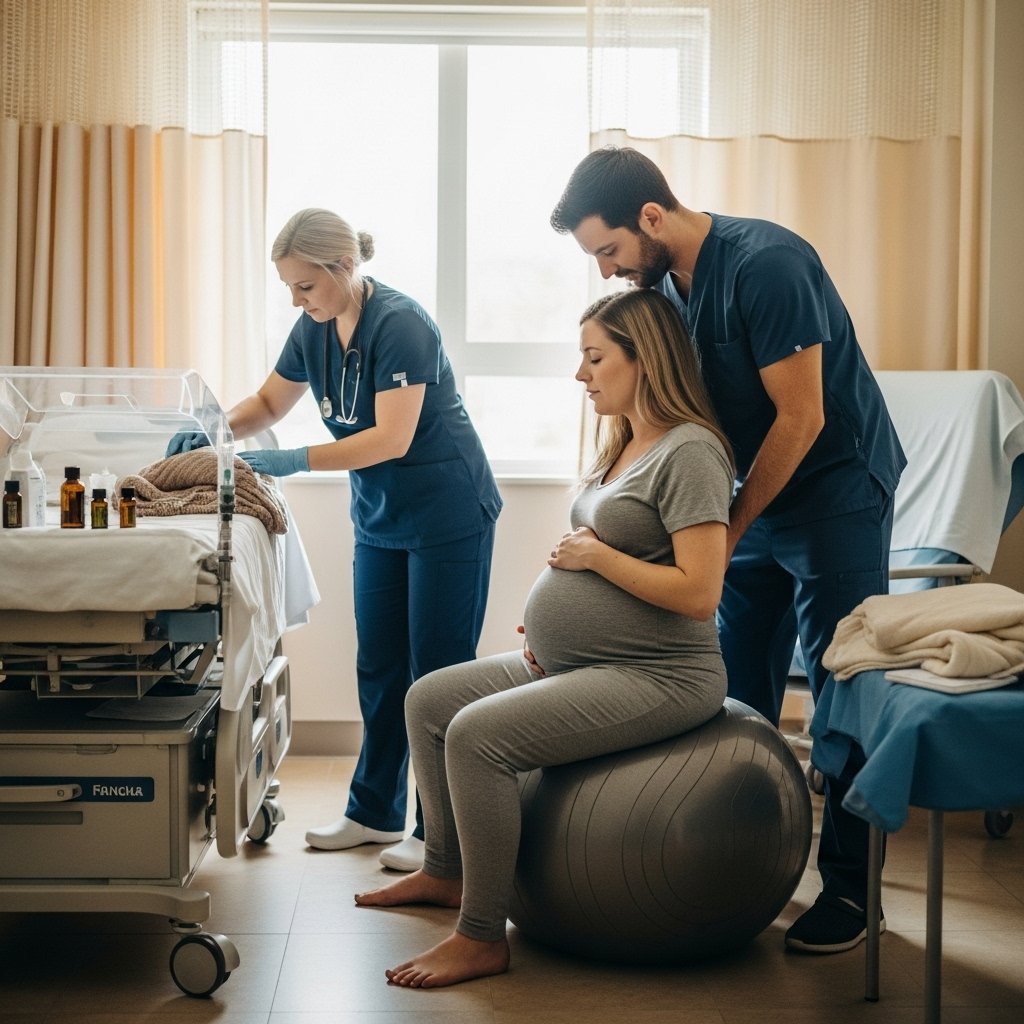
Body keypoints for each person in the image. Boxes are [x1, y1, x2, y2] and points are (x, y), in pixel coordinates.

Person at [549, 146, 906, 955]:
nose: (607, 271)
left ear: (651, 216)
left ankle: (854, 891)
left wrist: (731, 527)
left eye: (608, 250)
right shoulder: (662, 285)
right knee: (729, 679)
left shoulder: (767, 265)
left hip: (834, 492)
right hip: (750, 493)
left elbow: (802, 417)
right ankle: (743, 860)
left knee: (843, 679)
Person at [354, 288, 736, 988]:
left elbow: (698, 592)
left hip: (661, 674)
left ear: (644, 360)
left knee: (476, 737)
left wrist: (595, 563)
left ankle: (480, 937)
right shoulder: (627, 442)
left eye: (595, 357)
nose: (580, 374)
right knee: (429, 701)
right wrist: (554, 620)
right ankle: (444, 871)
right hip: (583, 661)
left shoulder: (693, 453)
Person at [167, 207, 502, 873]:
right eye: (289, 287)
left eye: (305, 286)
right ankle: (374, 810)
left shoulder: (401, 325)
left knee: (435, 672)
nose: (297, 299)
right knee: (379, 665)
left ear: (344, 267)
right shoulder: (313, 327)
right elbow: (268, 403)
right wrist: (213, 428)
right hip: (380, 517)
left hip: (448, 513)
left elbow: (391, 439)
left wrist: (287, 461)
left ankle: (440, 834)